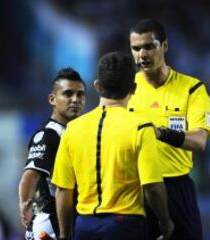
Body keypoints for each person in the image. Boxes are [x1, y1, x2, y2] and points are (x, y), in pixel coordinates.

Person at [52, 52, 174, 240]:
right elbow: (152, 186)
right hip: (125, 226)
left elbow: (63, 190)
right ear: (134, 88)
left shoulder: (72, 129)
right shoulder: (141, 128)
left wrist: (64, 234)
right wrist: (165, 222)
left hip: (85, 227)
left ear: (97, 86)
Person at [128, 19, 210, 240]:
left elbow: (199, 141)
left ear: (164, 46)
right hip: (135, 187)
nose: (142, 55)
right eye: (136, 49)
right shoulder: (126, 89)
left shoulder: (192, 89)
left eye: (149, 46)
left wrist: (161, 133)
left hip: (176, 188)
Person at [18, 68, 86, 240]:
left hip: (70, 220)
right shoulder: (48, 135)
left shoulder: (74, 133)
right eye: (68, 94)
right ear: (52, 99)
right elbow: (30, 175)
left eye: (80, 95)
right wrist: (25, 205)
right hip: (49, 222)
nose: (75, 100)